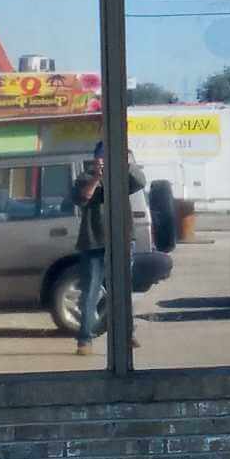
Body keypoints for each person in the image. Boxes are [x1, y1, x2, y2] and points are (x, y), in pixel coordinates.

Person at [67, 143, 146, 355]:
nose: (103, 160)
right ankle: (85, 339)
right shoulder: (84, 177)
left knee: (122, 290)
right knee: (90, 293)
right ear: (94, 159)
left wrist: (125, 162)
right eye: (100, 157)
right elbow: (82, 198)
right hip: (93, 243)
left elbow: (140, 181)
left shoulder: (122, 177)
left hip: (121, 240)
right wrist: (96, 178)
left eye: (107, 156)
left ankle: (127, 334)